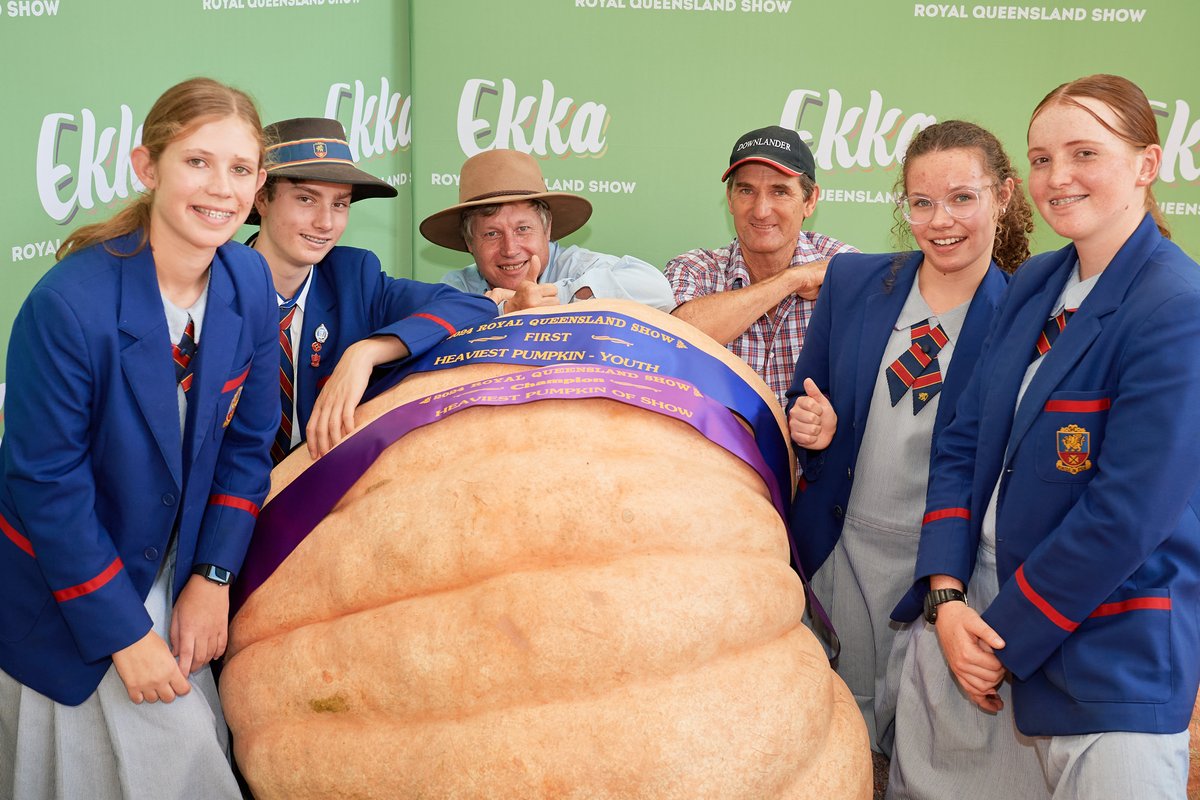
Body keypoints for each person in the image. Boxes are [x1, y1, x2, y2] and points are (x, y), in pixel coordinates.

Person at [889, 74, 1200, 799]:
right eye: (1041, 158)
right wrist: (946, 593)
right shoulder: (1033, 282)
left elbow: (1127, 515)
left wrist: (1000, 637)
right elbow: (963, 440)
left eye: (1084, 153)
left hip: (1107, 657)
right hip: (980, 622)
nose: (1057, 179)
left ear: (1147, 166)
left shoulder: (1177, 307)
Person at [0, 77, 277, 799]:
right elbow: (46, 490)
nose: (221, 188)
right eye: (197, 162)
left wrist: (211, 579)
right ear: (146, 168)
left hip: (176, 571)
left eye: (240, 169)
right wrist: (124, 634)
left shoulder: (249, 279)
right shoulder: (66, 307)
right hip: (73, 591)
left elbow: (249, 447)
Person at [784, 121, 1031, 764]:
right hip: (838, 554)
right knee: (833, 739)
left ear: (1003, 196)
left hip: (942, 573)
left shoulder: (1027, 318)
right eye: (921, 203)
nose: (939, 220)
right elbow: (805, 400)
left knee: (917, 749)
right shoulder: (853, 282)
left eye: (961, 198)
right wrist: (813, 426)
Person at [247, 118, 497, 462]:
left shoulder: (353, 276)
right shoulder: (216, 284)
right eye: (306, 199)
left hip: (315, 496)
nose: (326, 222)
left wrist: (365, 352)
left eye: (340, 204)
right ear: (261, 199)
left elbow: (472, 307)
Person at [665, 125, 858, 407]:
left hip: (816, 449)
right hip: (716, 449)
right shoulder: (694, 269)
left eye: (780, 192)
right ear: (729, 199)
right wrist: (791, 280)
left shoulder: (846, 265)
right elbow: (676, 336)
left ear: (810, 200)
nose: (761, 210)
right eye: (746, 190)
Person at [423, 149, 674, 314]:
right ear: (469, 242)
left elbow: (658, 292)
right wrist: (507, 309)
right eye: (492, 234)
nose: (510, 249)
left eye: (523, 229)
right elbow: (432, 328)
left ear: (547, 229)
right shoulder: (458, 286)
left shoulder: (577, 266)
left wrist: (555, 297)